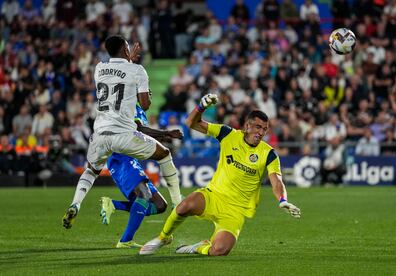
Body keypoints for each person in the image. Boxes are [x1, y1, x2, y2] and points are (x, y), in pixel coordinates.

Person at [139, 94, 301, 256]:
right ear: (247, 126)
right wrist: (202, 106)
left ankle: (197, 247)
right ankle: (163, 237)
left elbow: (277, 180)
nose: (261, 132)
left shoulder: (269, 153)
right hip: (214, 196)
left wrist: (283, 200)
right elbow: (191, 123)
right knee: (184, 207)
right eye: (258, 127)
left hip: (236, 211)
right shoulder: (228, 134)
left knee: (219, 250)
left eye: (264, 129)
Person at [62, 35, 182, 229]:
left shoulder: (99, 69)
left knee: (91, 171)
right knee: (164, 154)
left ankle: (75, 203)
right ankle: (178, 202)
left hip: (100, 134)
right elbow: (144, 104)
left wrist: (128, 60)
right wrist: (146, 93)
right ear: (126, 50)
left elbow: (118, 73)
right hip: (124, 135)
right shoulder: (138, 70)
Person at [100, 101, 184, 248]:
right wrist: (166, 132)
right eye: (148, 92)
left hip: (131, 159)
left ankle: (113, 204)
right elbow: (139, 129)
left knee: (160, 205)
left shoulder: (139, 111)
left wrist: (162, 137)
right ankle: (125, 241)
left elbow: (141, 135)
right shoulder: (130, 105)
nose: (150, 97)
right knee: (144, 194)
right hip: (121, 157)